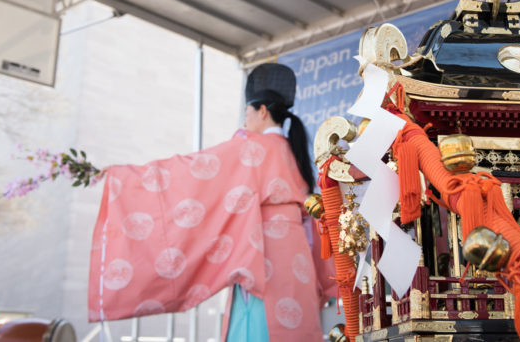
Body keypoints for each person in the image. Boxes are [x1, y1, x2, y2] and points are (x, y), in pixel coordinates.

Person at [88, 64, 336, 341]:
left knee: (258, 325)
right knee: (294, 325)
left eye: (247, 113)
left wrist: (124, 176)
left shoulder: (251, 148)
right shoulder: (294, 151)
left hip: (263, 255)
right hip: (296, 257)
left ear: (262, 111)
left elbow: (190, 171)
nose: (245, 122)